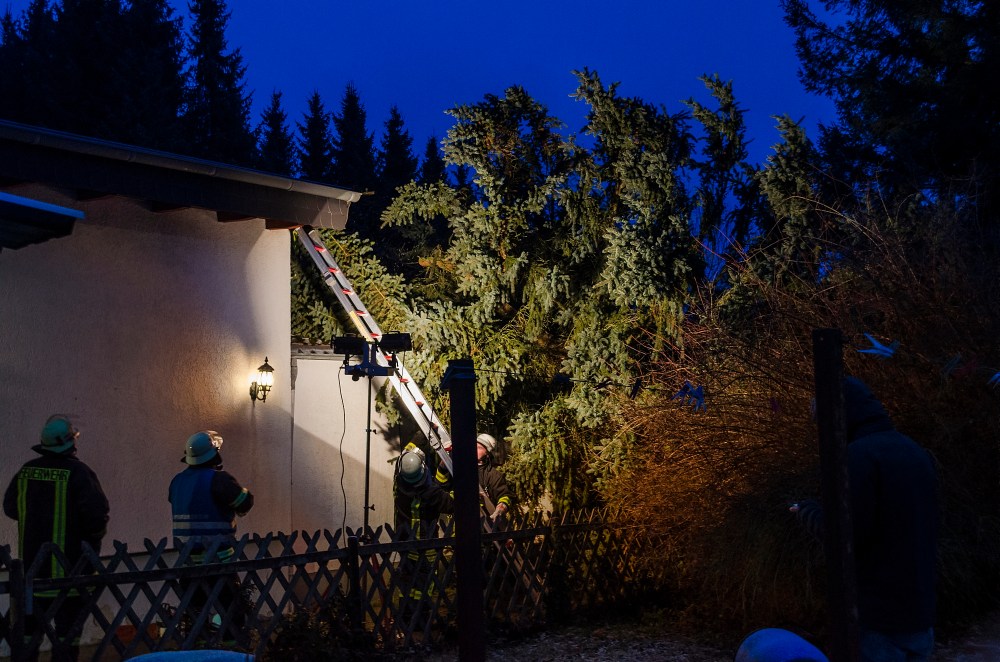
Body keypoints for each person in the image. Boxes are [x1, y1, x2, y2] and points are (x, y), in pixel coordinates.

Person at [793, 377, 938, 661]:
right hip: (919, 613)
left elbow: (845, 535)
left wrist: (807, 512)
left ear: (838, 415)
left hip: (877, 618)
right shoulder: (915, 452)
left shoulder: (858, 457)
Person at [3, 414, 110, 662]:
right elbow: (97, 516)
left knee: (28, 641)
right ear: (70, 442)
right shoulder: (80, 473)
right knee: (66, 641)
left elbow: (10, 507)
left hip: (32, 575)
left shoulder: (27, 471)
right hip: (70, 576)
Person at [168, 430, 254, 645]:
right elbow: (244, 502)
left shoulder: (177, 482)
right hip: (219, 562)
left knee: (194, 620)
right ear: (213, 454)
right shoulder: (219, 480)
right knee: (231, 617)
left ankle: (196, 655)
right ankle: (230, 655)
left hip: (188, 564)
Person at [393, 442, 454, 620]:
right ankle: (421, 620)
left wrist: (428, 433)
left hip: (404, 542)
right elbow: (450, 504)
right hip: (424, 546)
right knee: (423, 586)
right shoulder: (429, 491)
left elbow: (409, 448)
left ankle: (406, 618)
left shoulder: (399, 481)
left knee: (407, 583)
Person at [475, 433, 512, 526]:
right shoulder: (461, 467)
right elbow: (443, 484)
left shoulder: (493, 475)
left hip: (484, 524)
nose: (475, 449)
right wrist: (443, 466)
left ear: (487, 452)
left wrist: (500, 510)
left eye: (479, 448)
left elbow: (504, 496)